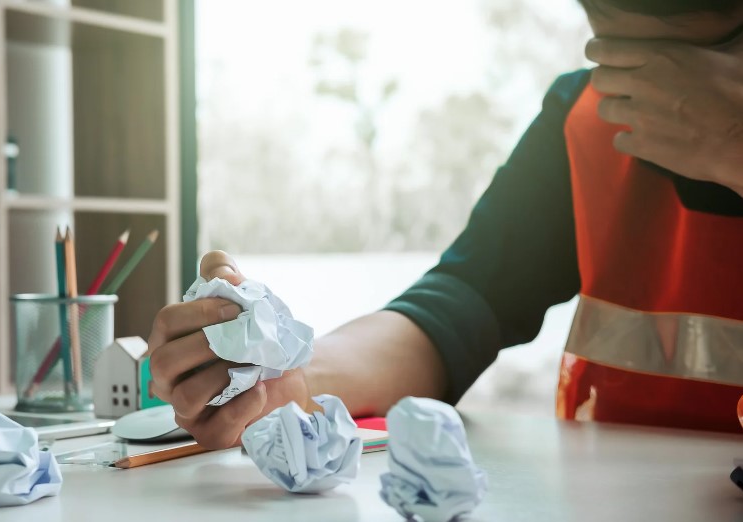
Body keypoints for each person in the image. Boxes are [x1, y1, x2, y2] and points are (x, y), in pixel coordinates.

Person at [148, 0, 743, 449]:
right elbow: (460, 306)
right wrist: (287, 381)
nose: (649, 95)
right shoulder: (584, 119)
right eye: (608, 48)